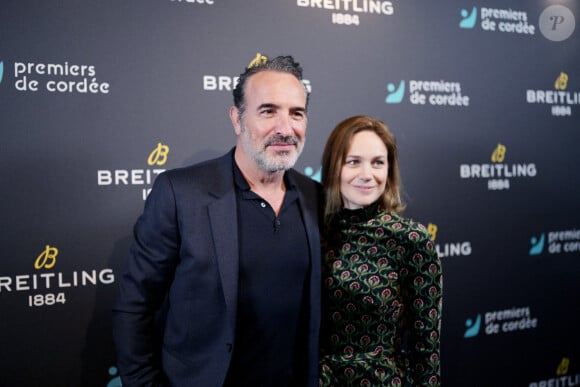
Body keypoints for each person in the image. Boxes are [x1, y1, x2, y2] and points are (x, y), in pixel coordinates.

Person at [112, 55, 322, 387]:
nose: (285, 128)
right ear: (237, 119)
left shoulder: (316, 197)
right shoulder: (181, 193)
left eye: (296, 113)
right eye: (268, 111)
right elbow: (134, 307)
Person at [318, 116, 442, 386]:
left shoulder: (410, 240)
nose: (367, 174)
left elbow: (426, 347)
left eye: (378, 162)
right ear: (332, 167)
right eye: (353, 162)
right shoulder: (311, 232)